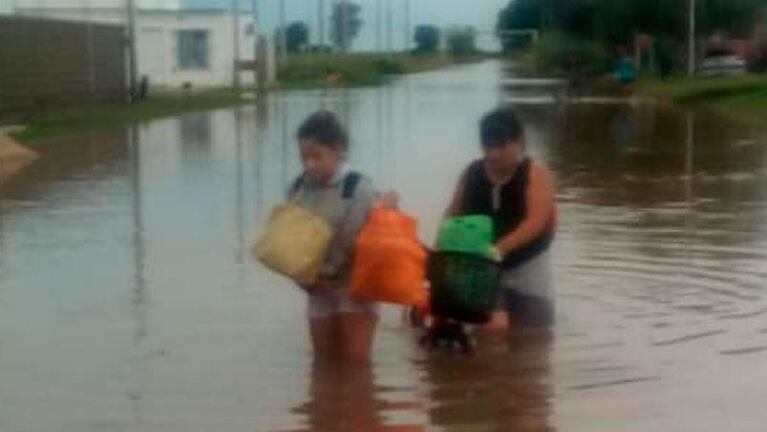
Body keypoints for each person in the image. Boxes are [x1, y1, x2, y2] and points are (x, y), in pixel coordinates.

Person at [290, 111, 395, 364]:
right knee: (323, 366)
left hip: (355, 288)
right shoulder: (298, 189)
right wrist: (307, 282)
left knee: (355, 368)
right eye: (304, 157)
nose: (309, 165)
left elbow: (368, 244)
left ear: (337, 150)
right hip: (317, 287)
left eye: (316, 156)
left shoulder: (359, 187)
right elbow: (288, 248)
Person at [445, 106, 557, 331]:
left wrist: (497, 250)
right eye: (488, 146)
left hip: (526, 266)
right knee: (493, 328)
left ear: (518, 143)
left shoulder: (536, 174)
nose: (493, 154)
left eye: (501, 146)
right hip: (481, 266)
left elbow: (536, 223)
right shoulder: (471, 174)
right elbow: (451, 217)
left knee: (535, 334)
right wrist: (444, 258)